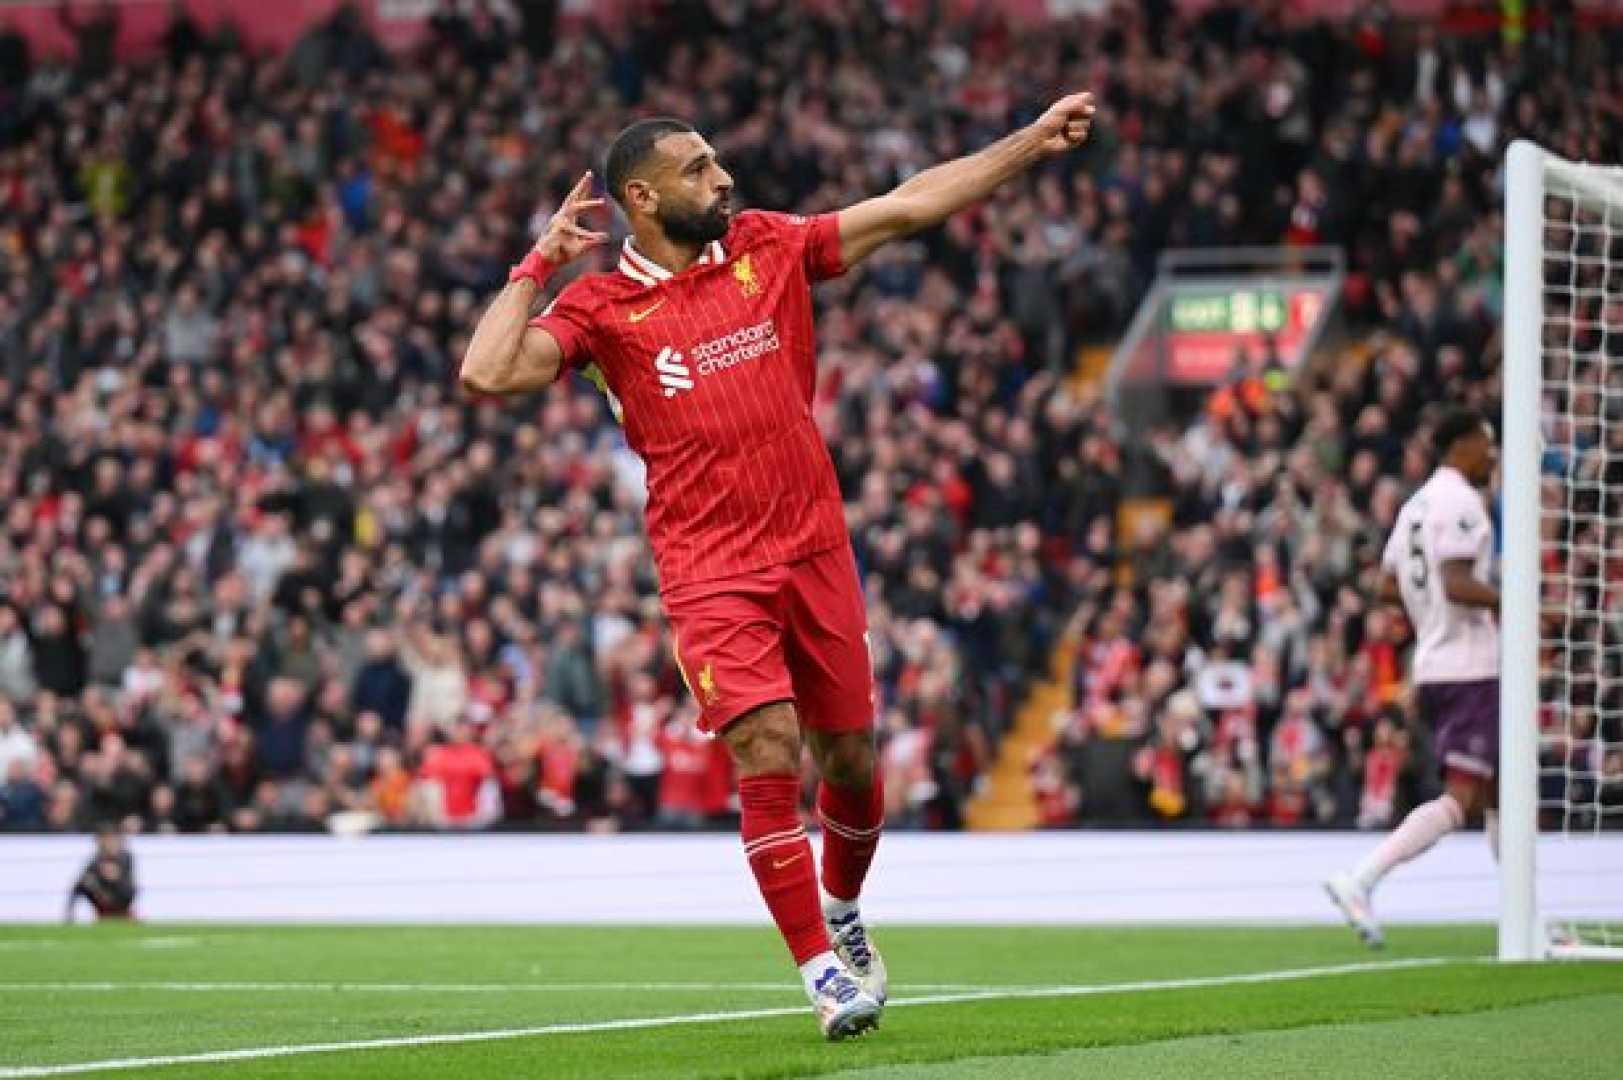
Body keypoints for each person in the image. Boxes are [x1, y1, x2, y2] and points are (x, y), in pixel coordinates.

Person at [460, 93, 1096, 1038]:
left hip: (814, 549)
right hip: (708, 568)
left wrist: (1033, 143)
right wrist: (536, 265)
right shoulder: (596, 307)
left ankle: (841, 911)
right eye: (699, 168)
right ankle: (818, 973)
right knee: (766, 749)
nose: (723, 180)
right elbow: (486, 372)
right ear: (641, 196)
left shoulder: (768, 245)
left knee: (851, 759)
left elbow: (908, 205)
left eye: (717, 164)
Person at [1325, 408, 1501, 947]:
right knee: (1465, 798)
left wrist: (1427, 615)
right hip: (1470, 665)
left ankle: (1528, 915)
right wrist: (1519, 602)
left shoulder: (1416, 505)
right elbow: (1454, 581)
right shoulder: (1461, 502)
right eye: (1487, 444)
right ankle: (1361, 879)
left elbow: (1385, 586)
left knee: (1505, 794)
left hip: (1432, 664)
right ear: (1463, 443)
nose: (1493, 456)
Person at [65, 826, 137, 921]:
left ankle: (121, 914)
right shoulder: (96, 861)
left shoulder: (125, 857)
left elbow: (129, 888)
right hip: (104, 901)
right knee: (87, 881)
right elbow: (80, 885)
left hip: (121, 900)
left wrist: (115, 877)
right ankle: (71, 916)